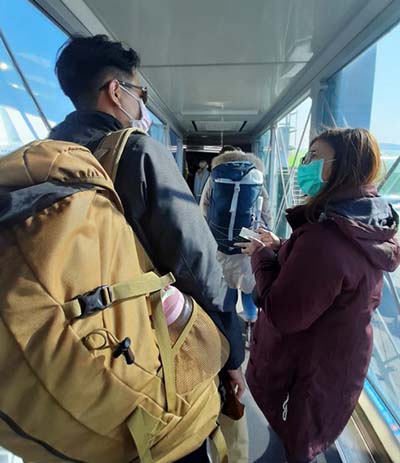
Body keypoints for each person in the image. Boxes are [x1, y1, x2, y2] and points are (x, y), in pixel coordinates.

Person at [50, 34, 245, 462]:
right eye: (140, 94)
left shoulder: (43, 160)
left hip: (66, 378)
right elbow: (198, 265)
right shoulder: (137, 152)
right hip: (149, 371)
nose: (143, 107)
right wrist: (232, 352)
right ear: (115, 91)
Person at [239, 128, 400, 463]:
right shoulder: (362, 223)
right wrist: (283, 247)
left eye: (314, 157)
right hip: (336, 365)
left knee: (291, 443)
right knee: (306, 437)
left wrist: (261, 256)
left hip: (304, 375)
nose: (304, 165)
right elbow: (330, 270)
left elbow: (283, 313)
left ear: (343, 166)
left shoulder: (324, 238)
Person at [201, 146, 271, 326]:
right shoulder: (255, 176)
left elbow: (204, 207)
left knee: (226, 283)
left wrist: (208, 234)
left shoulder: (215, 176)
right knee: (248, 285)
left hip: (220, 240)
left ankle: (228, 322)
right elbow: (265, 211)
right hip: (247, 239)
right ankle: (250, 320)